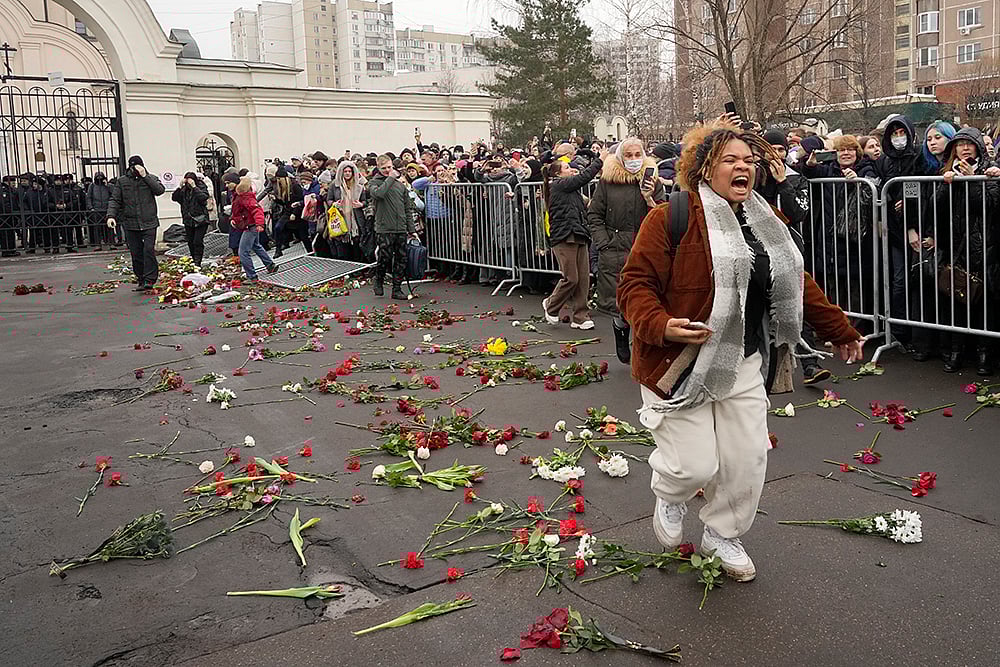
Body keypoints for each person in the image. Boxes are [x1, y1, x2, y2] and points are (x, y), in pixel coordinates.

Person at [617, 122, 863, 583]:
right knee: (693, 466)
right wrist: (662, 325)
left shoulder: (763, 219)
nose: (742, 166)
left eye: (748, 160)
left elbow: (794, 282)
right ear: (704, 167)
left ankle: (722, 534)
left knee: (747, 457)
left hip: (743, 359)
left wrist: (839, 329)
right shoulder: (671, 216)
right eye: (730, 159)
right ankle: (672, 492)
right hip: (677, 363)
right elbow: (634, 286)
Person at [588, 137, 665, 362]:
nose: (633, 160)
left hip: (646, 247)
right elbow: (594, 214)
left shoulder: (652, 181)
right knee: (620, 304)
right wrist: (604, 242)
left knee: (647, 301)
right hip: (616, 249)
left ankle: (643, 346)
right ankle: (621, 333)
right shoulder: (608, 182)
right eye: (629, 155)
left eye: (637, 155)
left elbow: (664, 214)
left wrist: (649, 198)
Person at [930, 127, 1000, 374]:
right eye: (960, 145)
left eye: (969, 144)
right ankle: (956, 350)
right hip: (956, 249)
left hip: (984, 249)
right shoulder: (947, 172)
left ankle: (984, 355)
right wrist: (946, 183)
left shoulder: (989, 172)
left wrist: (972, 180)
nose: (965, 149)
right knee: (956, 301)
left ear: (978, 147)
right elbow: (935, 208)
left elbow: (990, 203)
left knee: (983, 303)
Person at [540, 145, 608, 330]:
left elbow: (587, 204)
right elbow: (583, 178)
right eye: (567, 168)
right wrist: (599, 160)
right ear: (557, 174)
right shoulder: (559, 186)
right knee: (571, 278)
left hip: (579, 234)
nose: (571, 170)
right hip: (563, 237)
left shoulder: (572, 192)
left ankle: (580, 316)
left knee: (583, 278)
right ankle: (552, 305)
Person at [107, 156, 165, 291]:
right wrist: (111, 216)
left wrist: (145, 176)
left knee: (148, 250)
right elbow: (115, 199)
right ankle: (141, 278)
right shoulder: (122, 181)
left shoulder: (151, 178)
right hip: (131, 222)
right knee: (136, 252)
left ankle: (150, 279)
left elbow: (159, 190)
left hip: (149, 221)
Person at [368, 154, 418, 299]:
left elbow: (407, 208)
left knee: (401, 259)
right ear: (378, 168)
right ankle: (379, 278)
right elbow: (379, 194)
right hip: (384, 227)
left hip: (400, 227)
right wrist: (390, 178)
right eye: (384, 168)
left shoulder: (400, 185)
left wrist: (411, 229)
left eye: (389, 167)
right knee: (385, 257)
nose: (387, 170)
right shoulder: (374, 183)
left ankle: (397, 289)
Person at [225, 172, 278, 282]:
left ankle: (252, 276)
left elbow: (256, 209)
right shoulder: (238, 194)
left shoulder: (243, 195)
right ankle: (270, 265)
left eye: (228, 183)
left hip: (251, 226)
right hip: (250, 224)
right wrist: (234, 219)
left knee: (243, 252)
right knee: (256, 246)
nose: (226, 185)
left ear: (235, 183)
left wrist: (259, 224)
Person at [327, 160, 369, 260]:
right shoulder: (335, 185)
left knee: (357, 242)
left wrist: (361, 204)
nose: (347, 173)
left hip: (356, 218)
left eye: (349, 171)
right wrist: (334, 204)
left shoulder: (359, 185)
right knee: (343, 243)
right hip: (341, 217)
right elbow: (329, 199)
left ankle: (359, 265)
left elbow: (365, 201)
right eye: (345, 171)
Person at [171, 172, 211, 267]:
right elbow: (174, 198)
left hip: (201, 220)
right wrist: (179, 187)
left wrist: (194, 187)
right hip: (188, 220)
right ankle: (194, 259)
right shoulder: (184, 190)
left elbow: (203, 198)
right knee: (190, 241)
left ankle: (198, 261)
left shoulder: (201, 186)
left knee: (197, 241)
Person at [86, 172, 113, 250]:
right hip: (96, 209)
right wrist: (91, 207)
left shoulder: (108, 186)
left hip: (107, 209)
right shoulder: (92, 186)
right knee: (97, 228)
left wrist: (107, 185)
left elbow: (113, 193)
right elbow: (89, 197)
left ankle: (111, 243)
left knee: (109, 227)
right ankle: (98, 244)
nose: (99, 179)